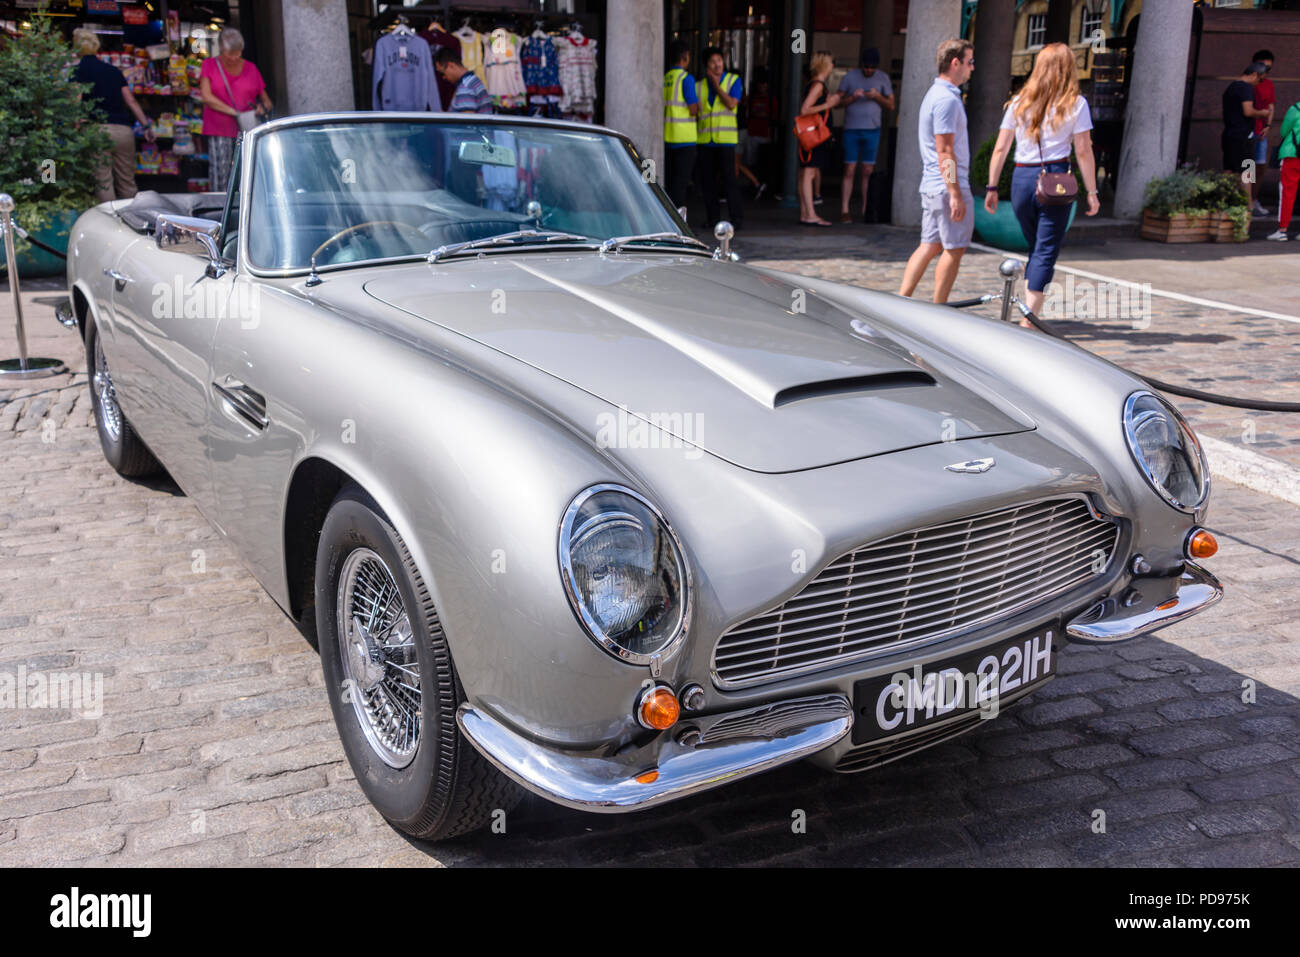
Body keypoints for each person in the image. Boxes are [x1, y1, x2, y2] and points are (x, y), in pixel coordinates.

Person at [982, 42, 1100, 320]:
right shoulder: (1076, 104)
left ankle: (1027, 309)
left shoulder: (1018, 102)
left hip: (1022, 178)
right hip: (1055, 179)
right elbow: (1083, 150)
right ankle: (1029, 320)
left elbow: (1000, 148)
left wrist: (992, 186)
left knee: (1037, 247)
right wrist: (1092, 191)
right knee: (1045, 251)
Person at [898, 39, 975, 304]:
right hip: (945, 185)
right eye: (969, 62)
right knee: (954, 248)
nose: (972, 68)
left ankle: (901, 301)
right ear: (955, 63)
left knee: (930, 245)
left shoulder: (936, 95)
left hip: (934, 184)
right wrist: (954, 192)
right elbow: (945, 150)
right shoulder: (946, 100)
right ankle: (937, 308)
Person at [71, 27, 154, 202]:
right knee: (127, 182)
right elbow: (130, 101)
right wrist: (145, 125)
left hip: (97, 131)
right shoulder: (114, 71)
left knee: (104, 182)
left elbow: (75, 101)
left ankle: (109, 225)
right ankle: (134, 221)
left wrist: (73, 126)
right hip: (123, 132)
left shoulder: (78, 72)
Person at [199, 28, 272, 193]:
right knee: (221, 177)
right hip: (219, 129)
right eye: (229, 53)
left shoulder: (251, 69)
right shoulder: (209, 66)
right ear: (220, 49)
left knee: (249, 173)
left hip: (247, 129)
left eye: (237, 53)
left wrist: (261, 108)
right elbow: (206, 96)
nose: (233, 57)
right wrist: (234, 113)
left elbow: (267, 101)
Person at [836, 47, 893, 223]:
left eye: (871, 67)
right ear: (861, 65)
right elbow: (837, 102)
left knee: (868, 170)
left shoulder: (883, 78)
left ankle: (866, 208)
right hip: (851, 129)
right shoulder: (849, 77)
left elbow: (891, 105)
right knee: (850, 169)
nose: (868, 70)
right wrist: (852, 98)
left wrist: (876, 96)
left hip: (873, 130)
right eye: (866, 67)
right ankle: (845, 209)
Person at [694, 47, 744, 231]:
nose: (717, 65)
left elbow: (731, 103)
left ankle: (736, 218)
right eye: (713, 62)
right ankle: (713, 218)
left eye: (720, 61)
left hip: (726, 140)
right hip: (705, 140)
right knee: (708, 183)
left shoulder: (734, 80)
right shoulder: (699, 86)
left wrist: (716, 85)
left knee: (729, 180)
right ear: (706, 66)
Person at [796, 52, 843, 226]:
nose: (832, 65)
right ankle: (810, 214)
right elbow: (805, 109)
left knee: (805, 174)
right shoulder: (818, 86)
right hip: (815, 135)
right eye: (831, 62)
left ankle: (805, 213)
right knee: (809, 173)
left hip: (810, 135)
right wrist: (828, 105)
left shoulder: (813, 84)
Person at [663, 40, 699, 211]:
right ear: (685, 56)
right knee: (681, 183)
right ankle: (679, 223)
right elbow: (693, 109)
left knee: (669, 182)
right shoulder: (686, 78)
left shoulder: (666, 78)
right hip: (685, 138)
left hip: (668, 136)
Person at [1222, 63, 1268, 185]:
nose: (1260, 83)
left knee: (1229, 171)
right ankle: (1248, 204)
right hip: (1243, 136)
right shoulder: (1245, 88)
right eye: (1261, 79)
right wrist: (1262, 113)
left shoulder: (1232, 87)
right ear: (1254, 74)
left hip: (1229, 134)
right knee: (1247, 173)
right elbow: (1248, 111)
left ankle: (1225, 201)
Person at [1266, 99, 1299, 241]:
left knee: (1287, 193)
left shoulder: (1296, 109)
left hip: (1292, 154)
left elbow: (1284, 131)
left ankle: (1282, 230)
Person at [1250, 50, 1276, 216]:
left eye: (1268, 68)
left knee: (1259, 167)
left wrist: (1268, 125)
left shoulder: (1269, 84)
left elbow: (1271, 107)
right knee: (1247, 166)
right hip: (1247, 131)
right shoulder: (1247, 83)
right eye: (1262, 66)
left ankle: (1253, 199)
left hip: (1261, 131)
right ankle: (1244, 201)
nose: (1265, 71)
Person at [435, 48, 494, 114]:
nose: (444, 77)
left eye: (442, 73)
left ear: (451, 65)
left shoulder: (465, 88)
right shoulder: (473, 80)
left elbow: (467, 122)